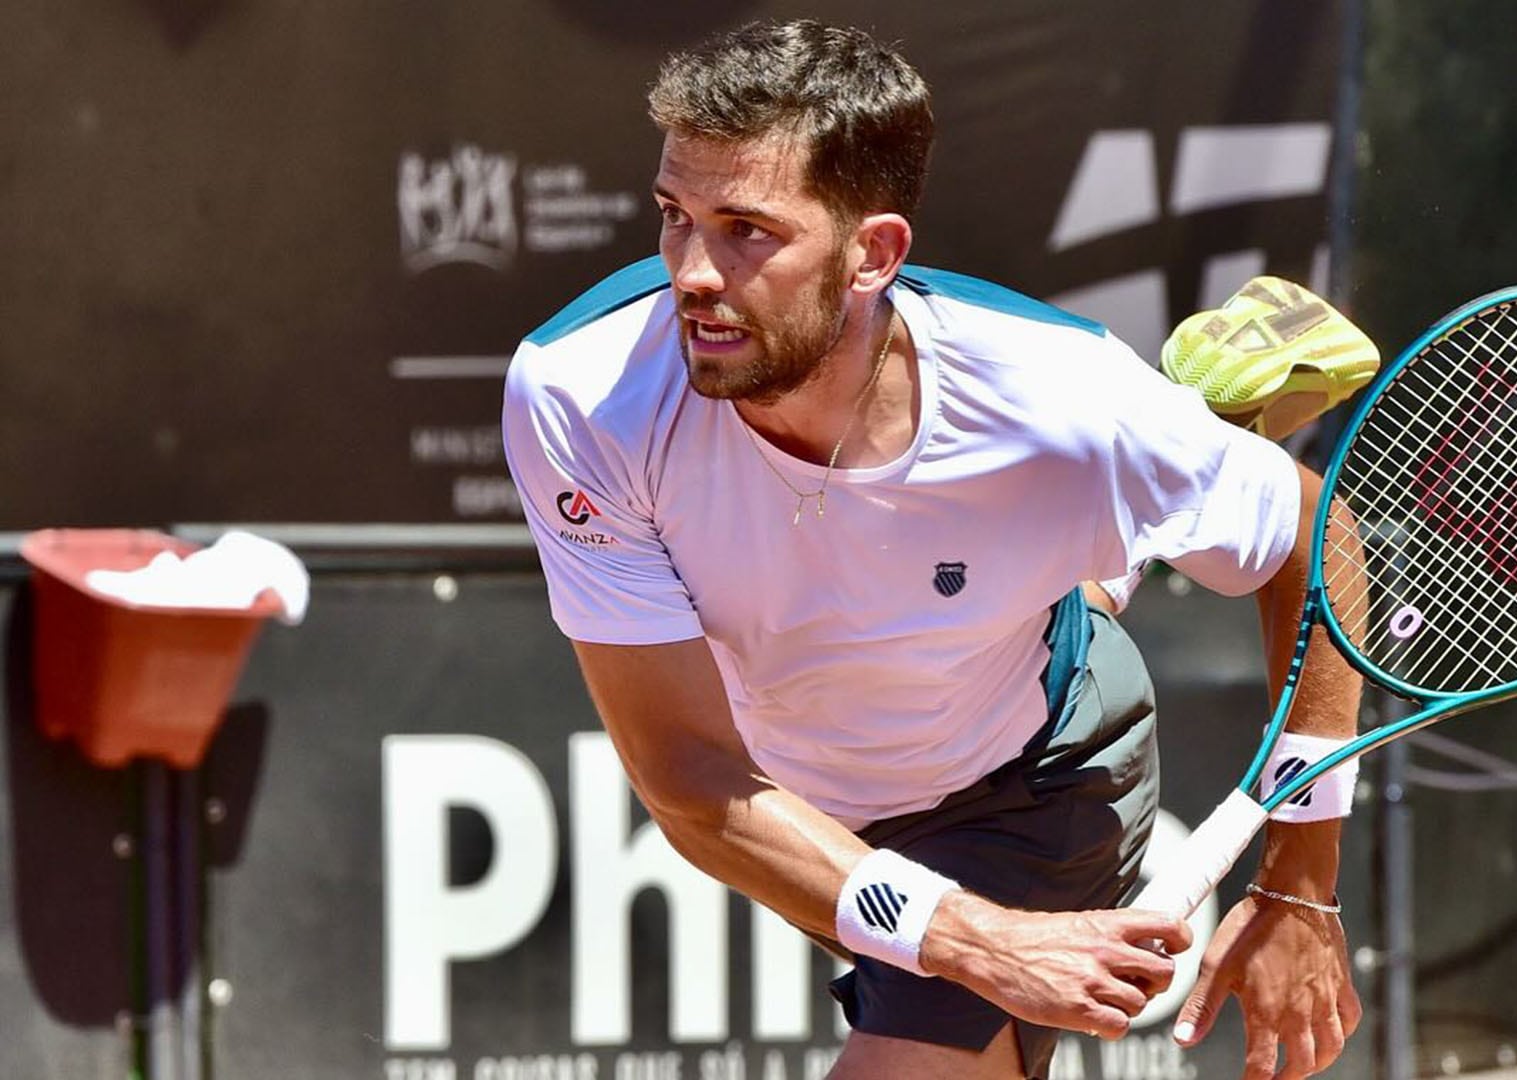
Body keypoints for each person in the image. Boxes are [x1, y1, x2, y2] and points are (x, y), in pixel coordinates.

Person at [501, 19, 1369, 1080]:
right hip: (819, 815)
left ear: (875, 254)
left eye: (746, 232)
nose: (691, 272)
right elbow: (688, 778)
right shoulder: (579, 394)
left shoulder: (1060, 399)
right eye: (674, 217)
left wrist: (1299, 885)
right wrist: (977, 940)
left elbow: (1312, 535)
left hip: (1032, 783)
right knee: (1036, 564)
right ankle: (1194, 435)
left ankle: (1182, 456)